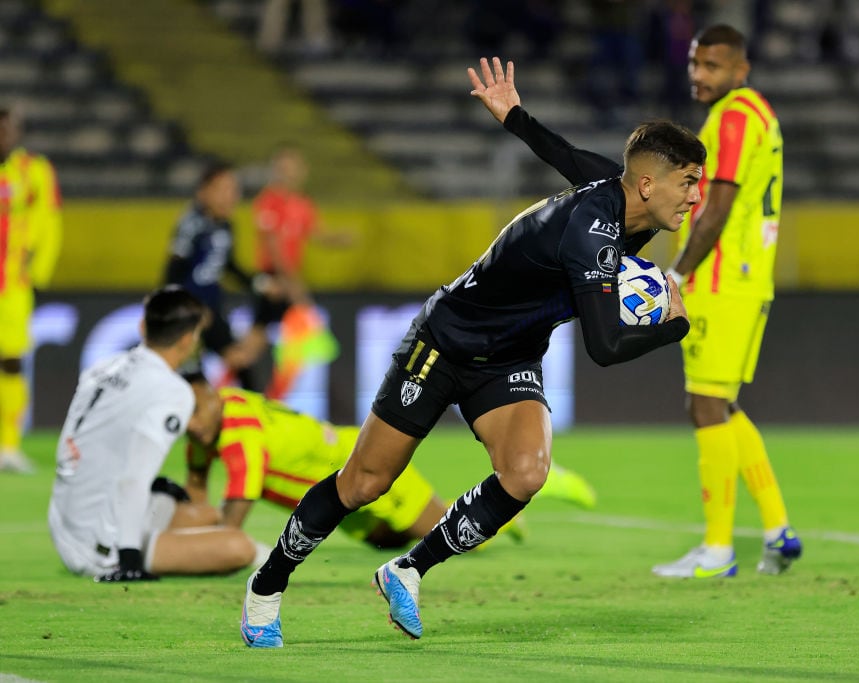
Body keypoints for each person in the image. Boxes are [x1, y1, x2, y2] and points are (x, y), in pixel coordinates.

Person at [239, 72, 704, 646]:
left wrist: (514, 116)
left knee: (526, 472)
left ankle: (407, 570)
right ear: (649, 185)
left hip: (508, 356)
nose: (695, 196)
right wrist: (673, 326)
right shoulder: (593, 233)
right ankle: (267, 586)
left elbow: (565, 154)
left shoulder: (621, 197)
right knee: (365, 482)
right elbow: (605, 348)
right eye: (687, 182)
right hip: (445, 342)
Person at [466, 41, 801, 581]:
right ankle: (777, 529)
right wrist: (516, 117)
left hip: (719, 277)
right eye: (693, 61)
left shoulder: (734, 118)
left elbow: (718, 206)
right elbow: (577, 162)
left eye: (711, 64)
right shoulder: (760, 115)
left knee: (706, 405)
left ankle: (718, 548)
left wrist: (678, 273)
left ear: (742, 68)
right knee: (721, 404)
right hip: (748, 277)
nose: (697, 73)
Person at [182, 374, 595, 550]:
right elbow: (198, 484)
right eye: (187, 416)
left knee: (447, 535)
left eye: (197, 411)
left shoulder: (238, 433)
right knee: (391, 540)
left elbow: (240, 500)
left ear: (212, 395)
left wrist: (202, 542)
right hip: (338, 482)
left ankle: (528, 487)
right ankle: (510, 493)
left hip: (360, 468)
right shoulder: (219, 413)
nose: (194, 425)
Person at [47, 287, 260, 581]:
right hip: (97, 543)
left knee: (207, 515)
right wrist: (129, 560)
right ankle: (122, 552)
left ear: (142, 326)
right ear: (189, 339)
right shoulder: (173, 391)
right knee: (239, 547)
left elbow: (86, 444)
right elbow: (134, 477)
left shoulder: (103, 367)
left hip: (65, 522)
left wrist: (157, 486)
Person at [163, 161, 283, 391]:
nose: (231, 196)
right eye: (223, 189)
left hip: (212, 309)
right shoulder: (190, 225)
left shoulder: (226, 225)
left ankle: (251, 420)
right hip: (192, 314)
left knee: (241, 364)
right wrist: (186, 311)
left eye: (233, 190)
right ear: (204, 192)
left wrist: (262, 283)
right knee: (190, 377)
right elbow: (173, 273)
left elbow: (228, 266)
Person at [251, 145, 350, 398]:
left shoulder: (302, 204)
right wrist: (293, 285)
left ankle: (272, 400)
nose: (290, 173)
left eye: (294, 167)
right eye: (284, 167)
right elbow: (273, 247)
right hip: (274, 279)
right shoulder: (269, 201)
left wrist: (339, 239)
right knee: (259, 343)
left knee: (292, 345)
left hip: (290, 280)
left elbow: (317, 233)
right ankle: (256, 398)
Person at [0, 107, 62, 474]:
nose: (5, 135)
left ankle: (8, 444)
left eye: (10, 128)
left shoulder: (34, 170)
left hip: (12, 287)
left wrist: (38, 272)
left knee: (10, 362)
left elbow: (49, 222)